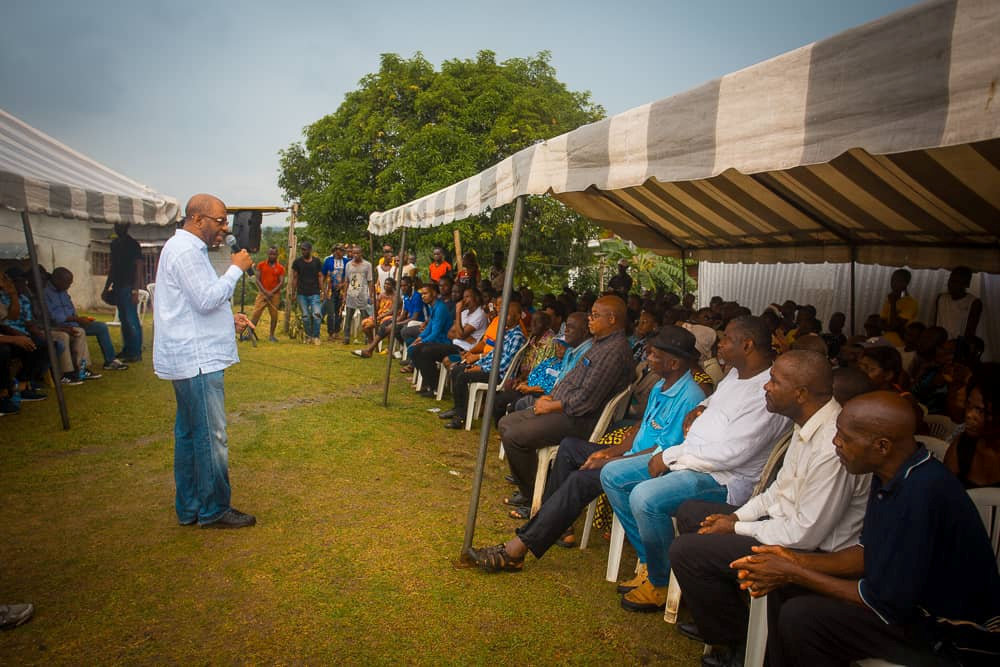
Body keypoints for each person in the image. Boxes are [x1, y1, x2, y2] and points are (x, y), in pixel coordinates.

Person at [735, 392, 1000, 666]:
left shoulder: (923, 492)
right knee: (784, 590)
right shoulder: (890, 473)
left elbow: (884, 601)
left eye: (844, 437)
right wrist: (791, 560)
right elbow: (866, 554)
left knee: (803, 617)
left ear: (882, 446)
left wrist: (794, 572)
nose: (835, 442)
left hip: (951, 634)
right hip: (908, 609)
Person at [668, 350, 871, 665]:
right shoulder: (807, 423)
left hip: (811, 552)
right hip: (786, 528)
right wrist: (736, 516)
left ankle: (734, 642)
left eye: (775, 381)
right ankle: (730, 617)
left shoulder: (833, 444)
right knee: (691, 513)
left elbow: (803, 534)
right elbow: (779, 491)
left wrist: (735, 527)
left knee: (687, 550)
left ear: (800, 393)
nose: (766, 386)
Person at [466, 327, 706, 573]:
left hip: (648, 468)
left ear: (674, 362)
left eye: (655, 355)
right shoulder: (662, 386)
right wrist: (611, 451)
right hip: (629, 456)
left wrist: (608, 462)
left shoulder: (690, 397)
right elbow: (639, 429)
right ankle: (554, 524)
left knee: (580, 480)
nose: (648, 358)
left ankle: (516, 550)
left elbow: (662, 453)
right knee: (569, 448)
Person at [600, 316, 790, 612]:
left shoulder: (767, 392)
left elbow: (733, 454)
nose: (720, 344)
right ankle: (652, 563)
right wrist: (700, 408)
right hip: (690, 457)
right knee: (612, 473)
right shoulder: (734, 375)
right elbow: (714, 404)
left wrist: (670, 457)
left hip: (722, 478)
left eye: (726, 339)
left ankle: (661, 584)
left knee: (645, 497)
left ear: (748, 345)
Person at [153, 193, 257, 529]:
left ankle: (189, 507)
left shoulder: (187, 250)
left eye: (225, 221)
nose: (224, 228)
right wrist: (235, 270)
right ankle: (213, 509)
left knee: (188, 434)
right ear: (197, 219)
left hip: (190, 355)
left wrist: (230, 319)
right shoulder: (185, 251)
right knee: (212, 436)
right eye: (220, 220)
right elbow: (205, 299)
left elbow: (196, 306)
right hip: (196, 361)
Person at [499, 296, 634, 503]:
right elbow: (571, 379)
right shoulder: (600, 344)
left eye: (595, 315)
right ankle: (534, 488)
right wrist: (550, 396)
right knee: (505, 423)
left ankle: (537, 497)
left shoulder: (614, 351)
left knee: (515, 435)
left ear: (612, 319)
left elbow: (587, 401)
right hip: (564, 409)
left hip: (579, 420)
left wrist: (552, 406)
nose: (590, 319)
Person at [442, 302, 525, 429]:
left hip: (498, 375)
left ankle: (460, 418)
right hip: (489, 368)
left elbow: (503, 364)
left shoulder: (517, 336)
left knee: (463, 377)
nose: (504, 316)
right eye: (503, 313)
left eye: (508, 314)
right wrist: (477, 363)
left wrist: (481, 368)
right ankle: (457, 409)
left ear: (518, 316)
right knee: (457, 369)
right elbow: (492, 355)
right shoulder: (506, 333)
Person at [44, 267, 129, 371]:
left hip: (74, 322)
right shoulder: (45, 293)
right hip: (60, 326)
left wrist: (80, 319)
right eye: (67, 283)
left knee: (101, 327)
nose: (69, 286)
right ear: (57, 280)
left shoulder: (63, 291)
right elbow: (54, 317)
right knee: (77, 333)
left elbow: (70, 309)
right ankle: (75, 369)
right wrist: (76, 319)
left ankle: (110, 361)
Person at [944, 367, 1000, 488]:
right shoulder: (962, 446)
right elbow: (943, 492)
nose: (969, 415)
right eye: (969, 405)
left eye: (981, 411)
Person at [105, 221, 144, 361]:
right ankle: (127, 349)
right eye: (116, 225)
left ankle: (135, 352)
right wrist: (106, 287)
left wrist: (135, 290)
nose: (117, 228)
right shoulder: (114, 244)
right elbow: (113, 267)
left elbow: (139, 267)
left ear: (127, 227)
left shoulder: (133, 244)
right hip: (118, 285)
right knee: (123, 319)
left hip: (128, 286)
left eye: (120, 226)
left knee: (131, 318)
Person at [935, 266, 983, 340]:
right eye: (951, 280)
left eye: (956, 282)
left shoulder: (974, 303)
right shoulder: (941, 298)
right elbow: (936, 322)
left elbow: (970, 331)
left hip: (958, 345)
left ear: (967, 284)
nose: (951, 284)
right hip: (938, 343)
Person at [250, 246, 285, 342]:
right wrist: (265, 292)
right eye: (270, 254)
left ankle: (272, 335)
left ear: (277, 255)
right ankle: (250, 334)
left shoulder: (280, 268)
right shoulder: (261, 265)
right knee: (256, 313)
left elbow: (281, 282)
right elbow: (257, 279)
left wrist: (271, 292)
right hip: (262, 293)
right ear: (267, 254)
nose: (272, 256)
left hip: (275, 295)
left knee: (274, 315)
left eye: (274, 254)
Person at [291, 241, 323, 344]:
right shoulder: (297, 262)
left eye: (305, 249)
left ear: (310, 250)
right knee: (305, 316)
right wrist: (293, 292)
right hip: (302, 293)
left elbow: (320, 276)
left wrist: (322, 291)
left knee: (317, 314)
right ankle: (308, 336)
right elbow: (295, 278)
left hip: (314, 292)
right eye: (302, 249)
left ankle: (316, 336)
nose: (303, 251)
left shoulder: (317, 262)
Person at [342, 245, 373, 344]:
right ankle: (346, 337)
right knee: (348, 317)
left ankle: (367, 337)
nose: (355, 255)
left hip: (363, 294)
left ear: (361, 253)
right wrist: (344, 294)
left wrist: (371, 295)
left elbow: (370, 281)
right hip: (351, 294)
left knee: (365, 317)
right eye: (353, 253)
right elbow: (346, 281)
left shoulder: (367, 265)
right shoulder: (348, 265)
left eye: (357, 253)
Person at [879, 269, 917, 347]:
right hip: (885, 342)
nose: (893, 283)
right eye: (892, 280)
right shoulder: (890, 299)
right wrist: (889, 327)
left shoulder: (910, 302)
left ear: (906, 283)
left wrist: (893, 304)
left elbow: (893, 326)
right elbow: (881, 323)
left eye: (898, 281)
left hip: (900, 345)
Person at [321, 244, 348, 340]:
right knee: (331, 312)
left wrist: (343, 284)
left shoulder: (346, 261)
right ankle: (330, 333)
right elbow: (323, 276)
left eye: (342, 250)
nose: (339, 252)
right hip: (330, 290)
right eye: (338, 250)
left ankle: (337, 332)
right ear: (335, 250)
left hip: (341, 290)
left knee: (339, 312)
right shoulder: (328, 261)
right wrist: (323, 290)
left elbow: (348, 276)